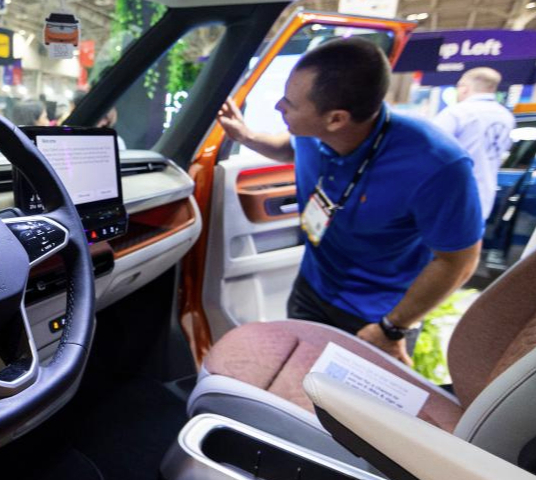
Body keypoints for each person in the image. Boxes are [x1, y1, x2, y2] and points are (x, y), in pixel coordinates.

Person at [217, 38, 483, 365]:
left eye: (289, 103)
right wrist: (246, 137)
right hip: (311, 289)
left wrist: (391, 328)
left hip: (377, 316)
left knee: (346, 412)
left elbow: (458, 262)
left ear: (336, 119)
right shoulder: (313, 134)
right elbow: (291, 147)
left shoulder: (438, 164)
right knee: (297, 383)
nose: (278, 108)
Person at [433, 67, 515, 220]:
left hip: (450, 194)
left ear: (464, 88)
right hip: (484, 195)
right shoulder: (506, 116)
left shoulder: (457, 113)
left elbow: (430, 148)